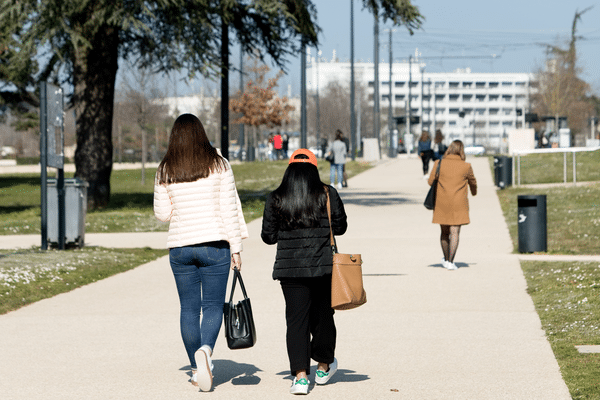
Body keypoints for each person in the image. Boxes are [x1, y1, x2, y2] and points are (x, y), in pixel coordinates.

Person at [153, 113, 249, 392]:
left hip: (181, 247)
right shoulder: (220, 164)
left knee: (188, 308)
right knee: (212, 306)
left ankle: (196, 369)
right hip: (215, 246)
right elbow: (229, 209)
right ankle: (206, 351)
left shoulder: (165, 169)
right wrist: (236, 248)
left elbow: (162, 214)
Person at [261, 149, 347, 395]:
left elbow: (268, 236)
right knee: (323, 318)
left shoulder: (276, 197)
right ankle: (323, 366)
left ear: (289, 169)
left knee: (296, 322)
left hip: (290, 269)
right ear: (314, 168)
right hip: (323, 268)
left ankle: (300, 377)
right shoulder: (327, 194)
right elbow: (340, 228)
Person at [428, 140, 477, 270]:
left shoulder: (439, 163)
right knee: (455, 232)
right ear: (462, 151)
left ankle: (446, 259)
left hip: (442, 202)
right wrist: (473, 192)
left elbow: (430, 181)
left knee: (444, 233)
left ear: (449, 149)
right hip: (458, 203)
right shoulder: (466, 166)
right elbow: (473, 182)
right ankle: (450, 261)